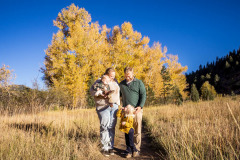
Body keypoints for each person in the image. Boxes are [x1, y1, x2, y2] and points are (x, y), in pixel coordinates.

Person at [90, 68, 120, 157]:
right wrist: (99, 93)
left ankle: (111, 146)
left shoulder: (115, 82)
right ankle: (105, 147)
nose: (112, 78)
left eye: (114, 76)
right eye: (111, 76)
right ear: (106, 74)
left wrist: (118, 104)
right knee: (105, 126)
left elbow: (118, 94)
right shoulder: (99, 81)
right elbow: (92, 92)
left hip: (113, 107)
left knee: (112, 126)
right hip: (103, 107)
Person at [119, 67, 146, 157]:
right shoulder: (121, 84)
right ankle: (129, 149)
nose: (127, 77)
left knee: (137, 129)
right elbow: (117, 95)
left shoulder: (139, 83)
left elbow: (143, 95)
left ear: (132, 74)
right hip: (126, 111)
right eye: (126, 75)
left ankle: (136, 149)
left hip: (136, 110)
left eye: (129, 75)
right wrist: (120, 106)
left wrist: (140, 106)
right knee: (127, 129)